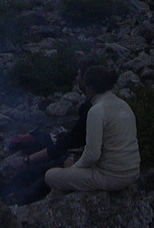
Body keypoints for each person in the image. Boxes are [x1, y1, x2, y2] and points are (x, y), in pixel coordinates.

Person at [0, 59, 96, 205]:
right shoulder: (92, 105)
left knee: (44, 178)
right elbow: (74, 139)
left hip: (85, 166)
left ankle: (12, 203)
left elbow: (66, 146)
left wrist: (27, 160)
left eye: (79, 75)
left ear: (86, 81)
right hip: (77, 158)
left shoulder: (93, 111)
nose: (76, 78)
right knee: (35, 171)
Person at [44, 66, 140, 194]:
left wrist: (73, 169)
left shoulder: (97, 110)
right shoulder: (124, 105)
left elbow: (92, 155)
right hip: (133, 172)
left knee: (50, 175)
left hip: (113, 177)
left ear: (90, 87)